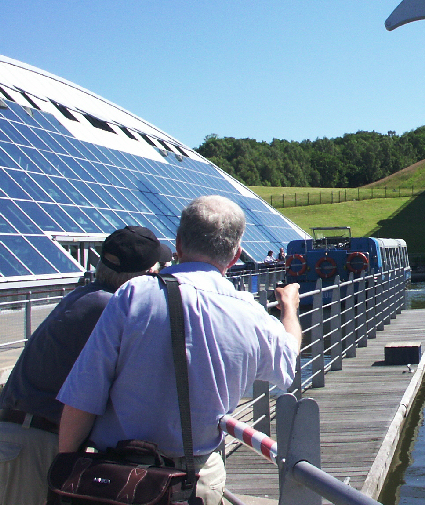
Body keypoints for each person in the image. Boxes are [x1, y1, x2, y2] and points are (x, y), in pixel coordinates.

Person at [57, 195, 301, 505]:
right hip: (194, 482)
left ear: (179, 244)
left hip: (120, 479)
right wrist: (289, 309)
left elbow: (83, 396)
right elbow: (288, 360)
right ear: (236, 255)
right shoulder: (250, 314)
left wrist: (65, 471)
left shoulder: (134, 294)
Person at [0, 226, 171, 505]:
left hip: (25, 435)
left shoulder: (87, 296)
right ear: (148, 275)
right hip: (35, 441)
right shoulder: (110, 307)